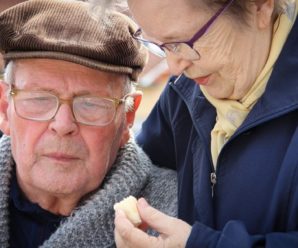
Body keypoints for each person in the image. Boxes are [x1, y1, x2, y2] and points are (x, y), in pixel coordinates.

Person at [110, 0, 298, 247]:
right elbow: (142, 168)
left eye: (184, 42)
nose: (174, 67)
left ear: (260, 7)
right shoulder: (184, 93)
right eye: (159, 46)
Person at [0, 0, 177, 247]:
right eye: (40, 99)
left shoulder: (174, 217)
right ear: (6, 109)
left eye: (91, 104)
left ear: (127, 117)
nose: (62, 125)